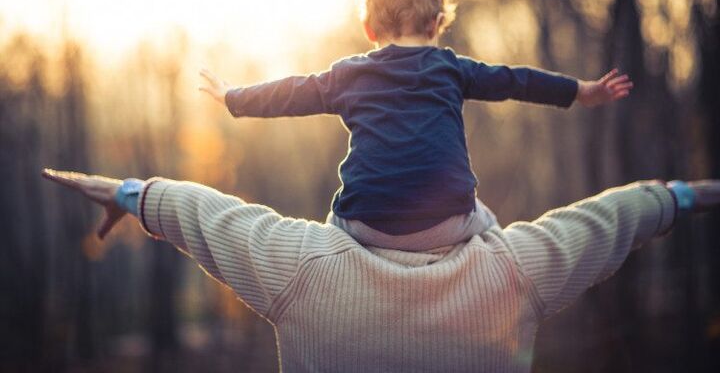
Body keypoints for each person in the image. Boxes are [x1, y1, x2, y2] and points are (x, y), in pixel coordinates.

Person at [41, 168, 719, 372]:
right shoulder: (510, 271)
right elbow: (608, 221)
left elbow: (205, 214)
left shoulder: (305, 268)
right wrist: (683, 197)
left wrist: (131, 196)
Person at [198, 0, 633, 250]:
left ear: (369, 28)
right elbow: (515, 80)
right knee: (495, 230)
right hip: (448, 220)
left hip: (364, 223)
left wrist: (233, 97)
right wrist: (579, 90)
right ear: (437, 22)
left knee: (330, 230)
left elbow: (291, 92)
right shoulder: (449, 68)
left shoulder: (348, 74)